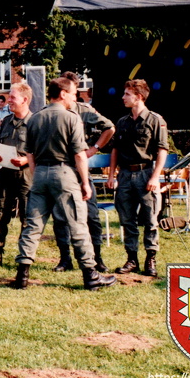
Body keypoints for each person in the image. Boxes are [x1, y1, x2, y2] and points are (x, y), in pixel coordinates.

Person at [13, 77, 116, 291]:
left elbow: (29, 153)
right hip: (65, 174)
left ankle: (22, 275)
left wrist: (38, 173)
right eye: (72, 94)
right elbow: (79, 154)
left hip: (40, 174)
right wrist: (85, 183)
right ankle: (90, 275)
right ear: (62, 94)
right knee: (78, 223)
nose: (74, 98)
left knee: (33, 226)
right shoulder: (71, 118)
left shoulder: (35, 118)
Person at [50, 71, 115, 273]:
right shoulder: (51, 111)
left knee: (92, 216)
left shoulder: (85, 111)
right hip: (61, 168)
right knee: (60, 216)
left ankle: (97, 258)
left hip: (81, 169)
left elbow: (109, 128)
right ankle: (65, 259)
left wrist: (94, 148)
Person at [106, 79, 168, 278]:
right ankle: (131, 258)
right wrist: (111, 175)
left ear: (139, 97)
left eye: (127, 94)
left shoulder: (155, 120)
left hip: (145, 174)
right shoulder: (122, 122)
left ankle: (151, 258)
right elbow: (115, 150)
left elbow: (162, 150)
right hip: (124, 175)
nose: (123, 97)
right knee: (126, 219)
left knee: (150, 218)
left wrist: (155, 177)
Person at [0, 82, 33, 269]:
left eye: (12, 97)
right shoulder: (6, 121)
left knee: (27, 216)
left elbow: (42, 149)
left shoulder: (36, 122)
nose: (8, 101)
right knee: (0, 212)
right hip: (5, 172)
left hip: (26, 174)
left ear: (25, 99)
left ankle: (24, 256)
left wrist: (26, 160)